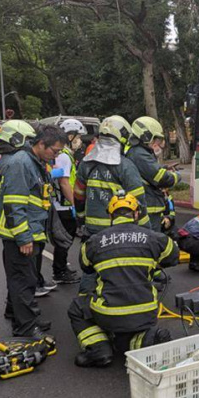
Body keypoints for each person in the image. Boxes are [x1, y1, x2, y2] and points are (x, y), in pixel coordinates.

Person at [68, 191, 178, 367]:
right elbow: (173, 257)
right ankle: (145, 340)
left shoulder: (94, 242)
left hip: (108, 314)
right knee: (124, 337)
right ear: (136, 214)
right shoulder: (154, 238)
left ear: (111, 216)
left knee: (77, 307)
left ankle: (99, 349)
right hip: (145, 313)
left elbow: (85, 266)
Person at [0, 121, 67, 338]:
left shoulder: (30, 161)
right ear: (41, 144)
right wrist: (24, 238)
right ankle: (25, 328)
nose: (56, 155)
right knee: (24, 281)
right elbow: (14, 204)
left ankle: (17, 313)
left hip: (28, 230)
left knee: (21, 278)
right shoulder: (21, 163)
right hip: (21, 234)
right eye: (55, 150)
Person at [74, 115, 147, 295]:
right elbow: (140, 203)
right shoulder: (125, 166)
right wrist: (146, 232)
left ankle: (85, 305)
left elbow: (78, 196)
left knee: (92, 268)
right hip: (118, 229)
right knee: (117, 267)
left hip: (92, 229)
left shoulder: (86, 164)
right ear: (122, 138)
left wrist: (82, 220)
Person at [125, 116, 181, 233]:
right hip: (148, 206)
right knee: (150, 241)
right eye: (156, 139)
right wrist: (177, 176)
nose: (158, 143)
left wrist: (163, 168)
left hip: (148, 205)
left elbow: (148, 172)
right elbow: (162, 179)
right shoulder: (139, 153)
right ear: (146, 136)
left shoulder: (137, 152)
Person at [48, 119, 86, 285]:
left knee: (63, 239)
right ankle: (60, 271)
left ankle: (61, 268)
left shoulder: (62, 155)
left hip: (59, 204)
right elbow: (64, 182)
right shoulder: (64, 156)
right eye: (77, 137)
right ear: (70, 136)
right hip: (64, 205)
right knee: (64, 240)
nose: (80, 141)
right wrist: (75, 204)